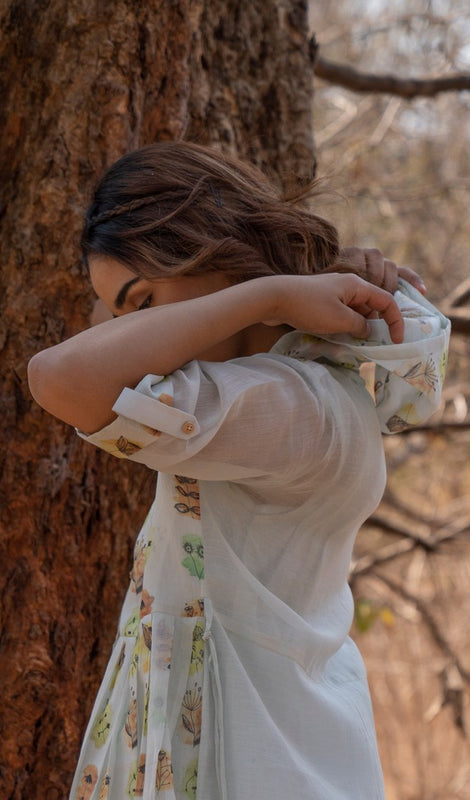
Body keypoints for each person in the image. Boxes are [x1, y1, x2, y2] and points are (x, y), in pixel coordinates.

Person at [28, 142, 450, 800]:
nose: (131, 330)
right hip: (278, 740)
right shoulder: (295, 388)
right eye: (122, 314)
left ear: (213, 252)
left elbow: (58, 377)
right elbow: (89, 346)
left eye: (143, 301)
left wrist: (269, 292)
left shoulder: (288, 410)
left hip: (252, 758)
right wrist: (276, 289)